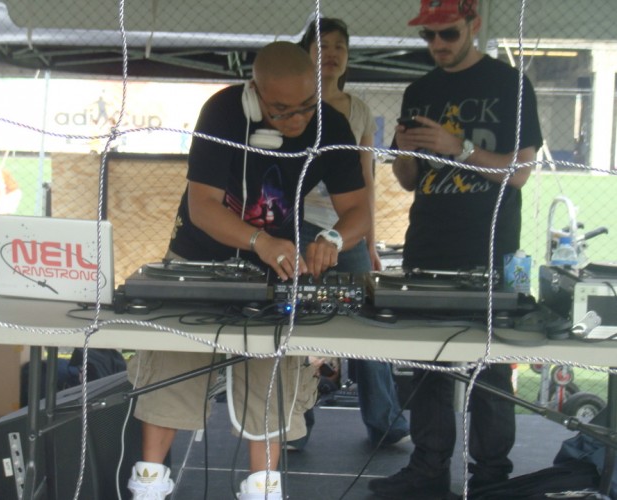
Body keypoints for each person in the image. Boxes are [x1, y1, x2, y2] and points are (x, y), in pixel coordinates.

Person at [126, 41, 369, 500]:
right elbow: (202, 207)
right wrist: (260, 240)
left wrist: (333, 239)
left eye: (306, 106)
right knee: (173, 368)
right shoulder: (222, 113)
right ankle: (149, 484)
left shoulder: (330, 124)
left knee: (270, 379)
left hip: (274, 270)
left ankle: (263, 489)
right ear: (255, 95)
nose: (296, 120)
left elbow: (359, 209)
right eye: (281, 111)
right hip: (198, 260)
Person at [368, 0, 543, 498]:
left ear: (473, 24)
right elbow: (408, 179)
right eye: (429, 36)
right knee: (428, 364)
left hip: (488, 246)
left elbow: (521, 172)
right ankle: (428, 467)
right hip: (428, 244)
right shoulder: (420, 90)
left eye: (448, 34)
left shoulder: (510, 85)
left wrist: (458, 148)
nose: (438, 45)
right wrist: (405, 153)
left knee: (490, 366)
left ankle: (491, 476)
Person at [296, 17, 410, 450]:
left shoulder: (358, 109)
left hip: (347, 230)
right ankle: (295, 421)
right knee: (296, 320)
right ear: (305, 53)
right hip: (299, 225)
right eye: (322, 45)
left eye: (339, 46)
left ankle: (385, 421)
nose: (331, 53)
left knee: (368, 321)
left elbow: (366, 182)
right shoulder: (291, 102)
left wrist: (369, 240)